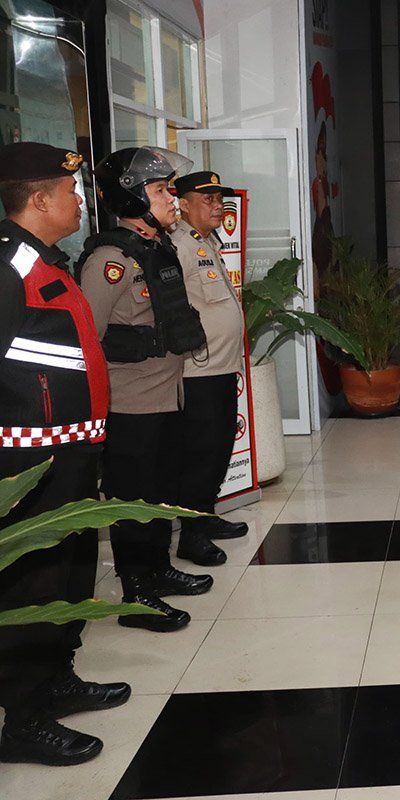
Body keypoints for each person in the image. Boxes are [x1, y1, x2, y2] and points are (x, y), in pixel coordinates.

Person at [0, 142, 128, 766]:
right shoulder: (6, 267)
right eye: (71, 191)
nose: (79, 200)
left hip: (71, 450)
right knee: (33, 584)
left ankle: (56, 678)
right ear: (41, 198)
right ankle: (23, 717)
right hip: (27, 464)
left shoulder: (47, 259)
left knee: (73, 571)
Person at [78, 147, 213, 632]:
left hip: (167, 396)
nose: (171, 199)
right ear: (132, 197)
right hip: (131, 404)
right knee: (133, 502)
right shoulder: (109, 260)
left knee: (159, 495)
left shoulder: (157, 248)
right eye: (159, 191)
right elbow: (87, 337)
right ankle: (137, 594)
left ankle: (157, 569)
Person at [168, 171, 250, 568]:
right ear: (182, 204)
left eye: (221, 199)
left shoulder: (206, 242)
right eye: (208, 199)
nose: (219, 206)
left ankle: (206, 515)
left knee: (218, 448)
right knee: (201, 453)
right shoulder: (178, 245)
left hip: (220, 366)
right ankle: (191, 537)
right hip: (197, 370)